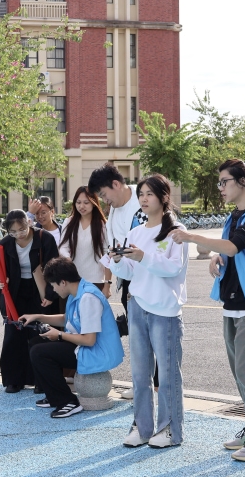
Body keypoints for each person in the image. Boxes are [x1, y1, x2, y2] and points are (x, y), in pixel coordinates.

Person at [169, 159, 245, 462]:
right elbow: (228, 249)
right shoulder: (235, 216)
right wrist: (216, 256)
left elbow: (234, 246)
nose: (220, 188)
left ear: (242, 181)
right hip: (233, 303)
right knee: (240, 373)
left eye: (224, 181)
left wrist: (191, 237)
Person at [104, 174, 189, 449]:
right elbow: (130, 272)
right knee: (140, 374)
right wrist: (118, 261)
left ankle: (170, 429)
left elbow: (173, 268)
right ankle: (142, 427)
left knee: (168, 375)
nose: (143, 198)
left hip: (165, 310)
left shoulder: (176, 231)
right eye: (141, 193)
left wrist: (143, 256)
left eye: (149, 194)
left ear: (164, 197)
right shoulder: (137, 232)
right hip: (138, 305)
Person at [18, 257, 124, 418]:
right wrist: (38, 317)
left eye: (53, 285)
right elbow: (67, 319)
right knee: (35, 343)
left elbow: (89, 340)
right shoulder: (77, 291)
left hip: (98, 352)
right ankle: (54, 395)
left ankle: (68, 402)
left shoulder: (88, 298)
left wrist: (59, 334)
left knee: (39, 352)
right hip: (87, 346)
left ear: (63, 282)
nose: (53, 290)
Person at [88, 163, 148, 399]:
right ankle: (141, 383)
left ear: (116, 184)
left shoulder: (141, 202)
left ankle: (152, 386)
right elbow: (114, 245)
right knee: (137, 335)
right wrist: (109, 279)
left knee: (150, 335)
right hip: (128, 279)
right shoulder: (116, 208)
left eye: (104, 194)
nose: (105, 201)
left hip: (148, 278)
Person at [0, 209, 60, 394]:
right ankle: (14, 380)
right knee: (14, 334)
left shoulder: (44, 238)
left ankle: (41, 380)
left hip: (39, 290)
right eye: (13, 232)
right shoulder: (6, 243)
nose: (19, 235)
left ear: (29, 223)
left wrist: (50, 295)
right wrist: (0, 280)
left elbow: (54, 267)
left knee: (40, 333)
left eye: (22, 229)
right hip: (16, 291)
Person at [58, 187, 112, 299]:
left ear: (94, 203)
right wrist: (67, 259)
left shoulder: (102, 225)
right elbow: (63, 247)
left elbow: (107, 254)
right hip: (71, 280)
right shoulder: (69, 222)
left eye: (86, 203)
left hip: (95, 281)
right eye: (78, 202)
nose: (81, 206)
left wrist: (107, 285)